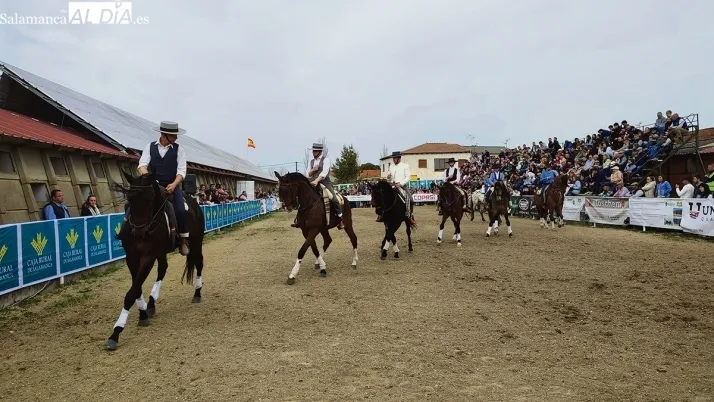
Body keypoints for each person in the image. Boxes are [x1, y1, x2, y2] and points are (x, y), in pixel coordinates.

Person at [130, 120, 190, 255]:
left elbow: (182, 171)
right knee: (131, 204)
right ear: (164, 134)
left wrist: (174, 184)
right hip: (153, 186)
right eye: (173, 135)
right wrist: (150, 180)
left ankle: (184, 238)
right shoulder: (149, 147)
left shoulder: (179, 150)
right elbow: (142, 166)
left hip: (171, 186)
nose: (176, 138)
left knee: (180, 209)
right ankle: (126, 232)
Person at [296, 142, 343, 229]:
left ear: (320, 151)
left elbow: (324, 173)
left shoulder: (326, 160)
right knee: (303, 197)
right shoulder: (311, 162)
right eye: (313, 150)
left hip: (325, 183)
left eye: (315, 150)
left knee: (334, 199)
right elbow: (307, 174)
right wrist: (313, 170)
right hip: (313, 183)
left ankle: (340, 219)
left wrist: (316, 181)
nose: (313, 152)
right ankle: (300, 220)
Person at [377, 151, 415, 224]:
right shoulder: (391, 166)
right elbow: (389, 177)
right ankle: (381, 214)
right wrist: (388, 177)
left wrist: (400, 183)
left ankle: (409, 216)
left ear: (399, 158)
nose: (394, 160)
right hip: (392, 185)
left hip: (402, 186)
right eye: (393, 158)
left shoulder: (405, 166)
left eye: (395, 158)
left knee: (411, 199)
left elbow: (408, 177)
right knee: (382, 197)